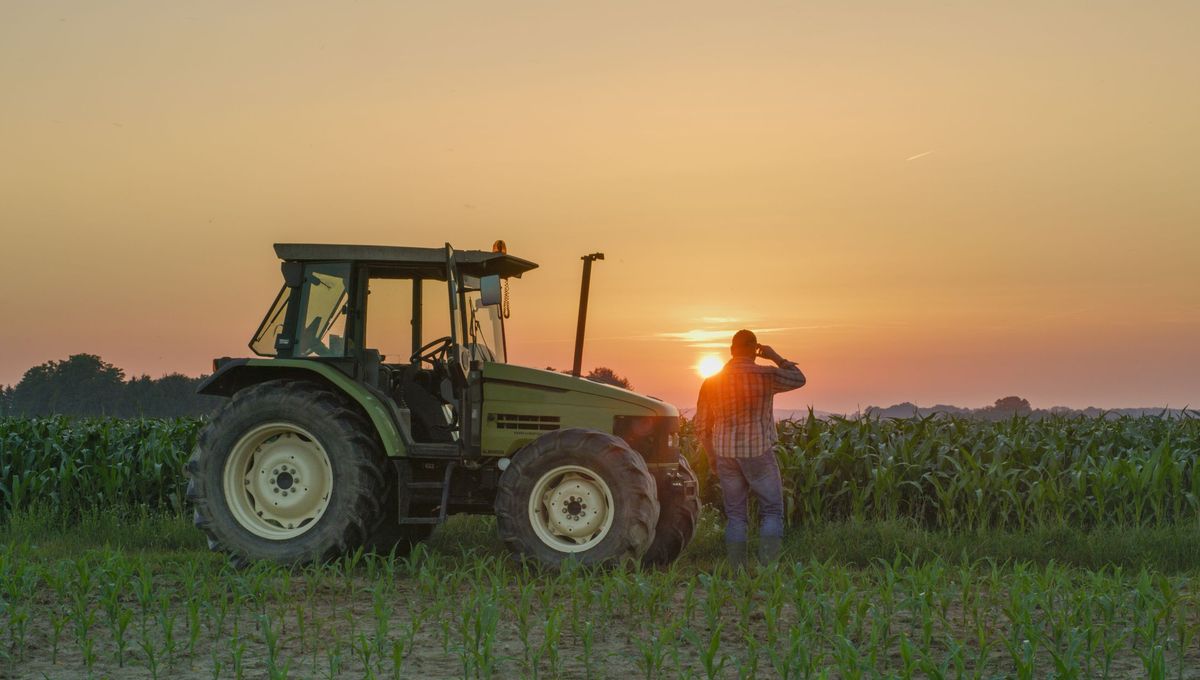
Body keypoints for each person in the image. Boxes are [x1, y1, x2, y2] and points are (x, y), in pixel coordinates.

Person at [694, 330, 806, 567]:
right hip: (758, 453)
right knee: (772, 511)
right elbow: (799, 378)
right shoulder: (766, 375)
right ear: (755, 349)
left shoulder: (712, 381)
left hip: (725, 454)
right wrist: (774, 356)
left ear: (732, 350)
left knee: (736, 516)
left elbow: (702, 427)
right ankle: (769, 569)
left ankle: (737, 571)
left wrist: (712, 457)